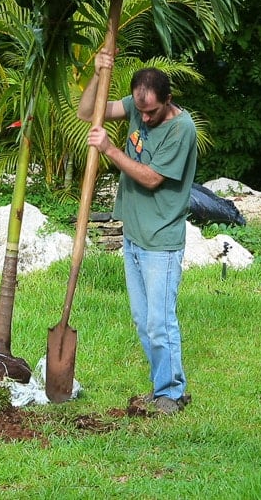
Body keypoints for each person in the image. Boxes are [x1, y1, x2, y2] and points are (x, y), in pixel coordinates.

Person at [78, 46, 197, 415]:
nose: (143, 117)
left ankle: (172, 394)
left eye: (151, 111)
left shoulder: (182, 129)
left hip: (161, 240)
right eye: (138, 109)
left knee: (160, 322)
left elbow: (150, 178)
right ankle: (164, 385)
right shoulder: (135, 106)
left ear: (168, 100)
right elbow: (87, 112)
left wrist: (111, 149)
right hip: (134, 235)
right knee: (143, 322)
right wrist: (98, 73)